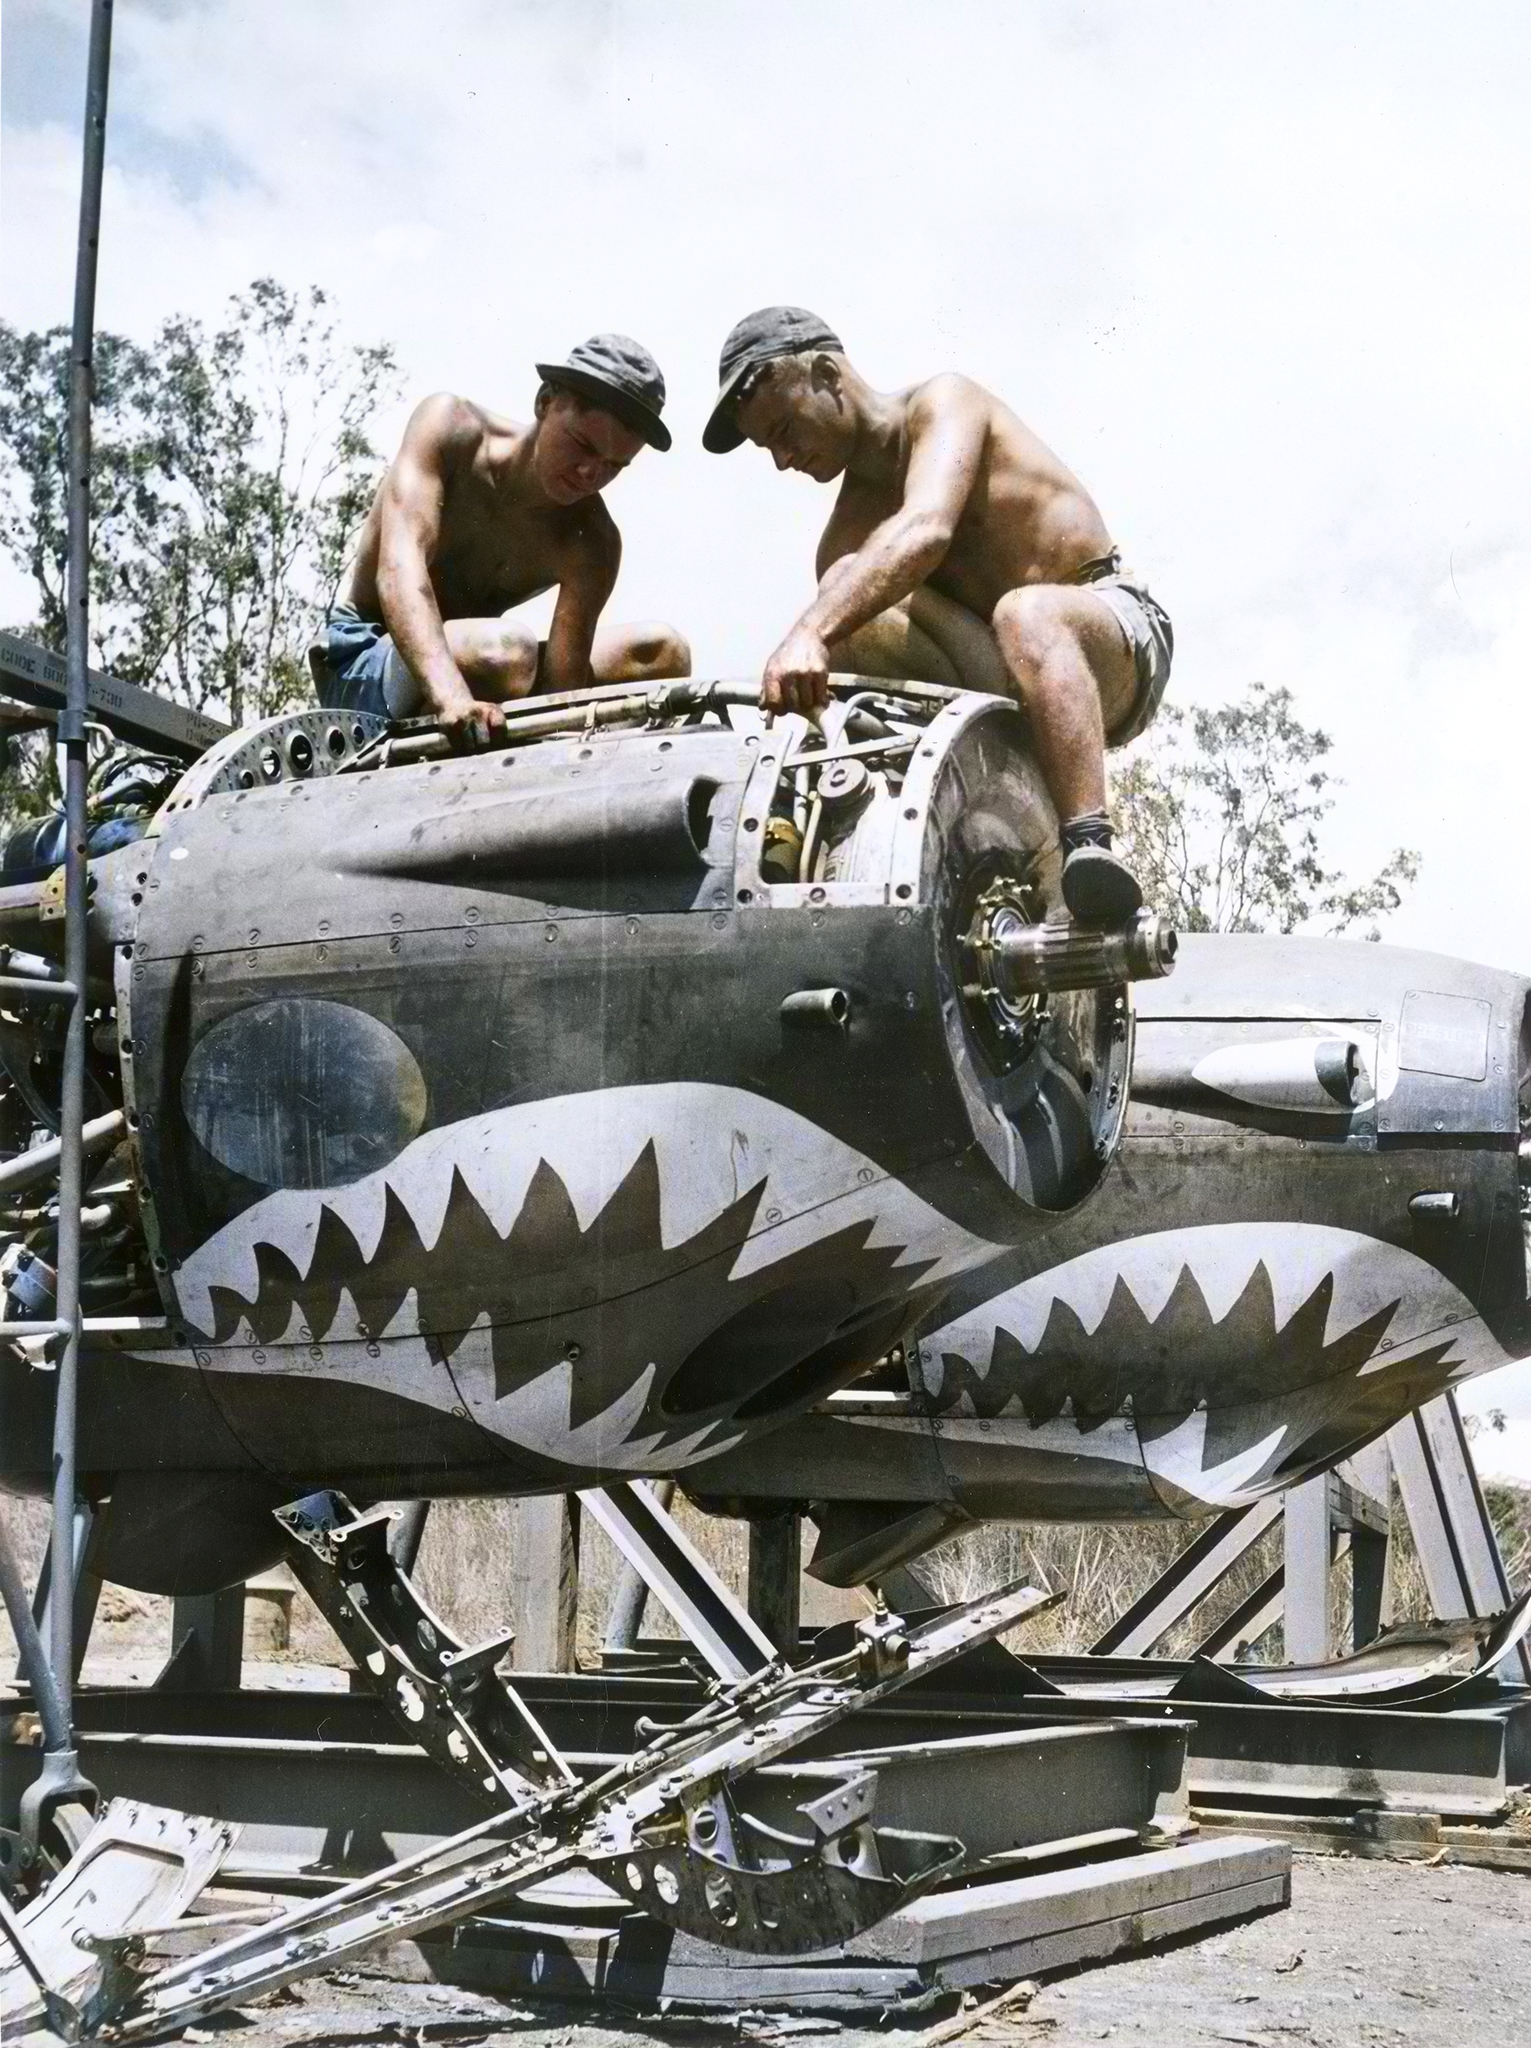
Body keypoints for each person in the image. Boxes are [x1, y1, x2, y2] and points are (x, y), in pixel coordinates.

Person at [703, 307, 1172, 922]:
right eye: (769, 448)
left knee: (1023, 612)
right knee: (844, 587)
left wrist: (809, 633)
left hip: (1103, 634)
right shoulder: (845, 532)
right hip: (1003, 682)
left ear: (825, 373)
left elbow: (928, 528)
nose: (783, 460)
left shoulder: (942, 403)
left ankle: (1090, 847)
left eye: (784, 429)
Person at [311, 334, 690, 746]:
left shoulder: (593, 541)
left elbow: (563, 695)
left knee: (663, 651)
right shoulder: (451, 431)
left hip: (489, 667)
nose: (590, 473)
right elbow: (398, 573)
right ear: (545, 402)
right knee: (509, 651)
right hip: (369, 658)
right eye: (583, 445)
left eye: (615, 465)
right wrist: (452, 698)